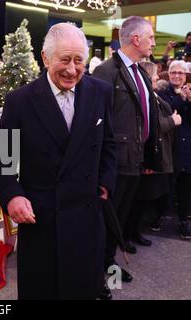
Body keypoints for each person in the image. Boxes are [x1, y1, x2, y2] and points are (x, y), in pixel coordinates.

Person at [0, 22, 116, 300]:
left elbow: (109, 143)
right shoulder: (20, 101)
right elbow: (3, 160)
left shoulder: (101, 92)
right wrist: (12, 197)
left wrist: (106, 181)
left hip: (86, 216)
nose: (72, 70)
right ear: (45, 58)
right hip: (43, 219)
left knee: (83, 289)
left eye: (78, 60)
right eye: (65, 60)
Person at [93, 16, 161, 283]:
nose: (154, 42)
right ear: (136, 39)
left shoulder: (140, 72)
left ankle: (108, 269)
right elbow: (96, 121)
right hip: (114, 164)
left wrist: (148, 155)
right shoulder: (106, 72)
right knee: (104, 224)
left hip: (134, 160)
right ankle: (98, 277)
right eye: (151, 37)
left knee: (118, 222)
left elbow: (145, 117)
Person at [127, 61, 180, 241]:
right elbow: (152, 125)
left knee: (144, 198)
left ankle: (134, 233)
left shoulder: (153, 95)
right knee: (139, 199)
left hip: (154, 155)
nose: (158, 77)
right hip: (148, 155)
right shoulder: (147, 98)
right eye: (156, 74)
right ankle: (129, 235)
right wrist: (173, 120)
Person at [157, 60, 191, 239]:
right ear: (169, 75)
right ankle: (160, 215)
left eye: (180, 73)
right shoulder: (163, 93)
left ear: (185, 75)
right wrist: (181, 98)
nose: (177, 75)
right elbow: (168, 111)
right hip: (170, 147)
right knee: (166, 185)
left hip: (187, 148)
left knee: (186, 187)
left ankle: (183, 221)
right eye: (173, 73)